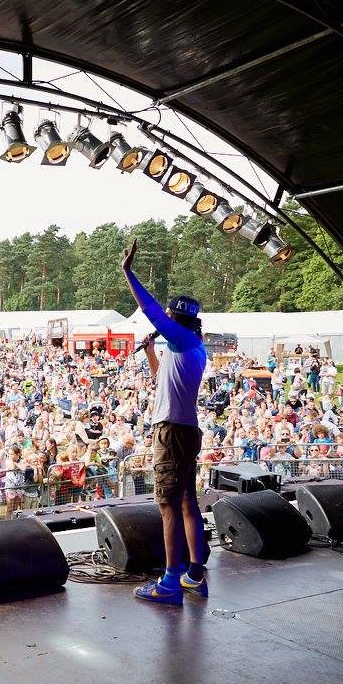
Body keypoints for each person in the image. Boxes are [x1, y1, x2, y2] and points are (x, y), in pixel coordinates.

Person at [122, 240, 208, 605]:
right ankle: (194, 576)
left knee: (167, 505)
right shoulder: (190, 346)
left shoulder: (184, 339)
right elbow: (163, 380)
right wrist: (150, 353)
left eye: (168, 319)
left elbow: (151, 311)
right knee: (187, 502)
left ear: (175, 318)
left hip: (172, 432)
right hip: (185, 430)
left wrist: (129, 273)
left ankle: (170, 583)